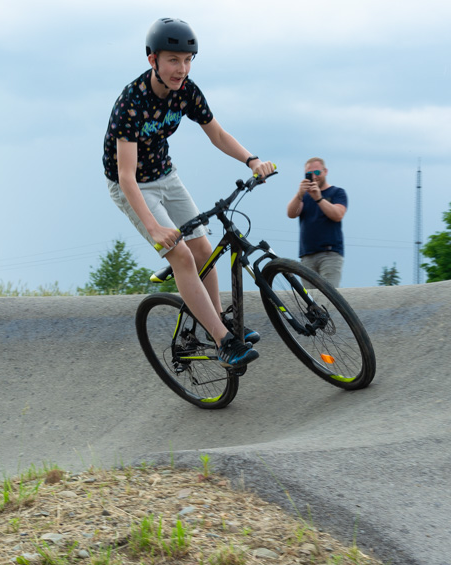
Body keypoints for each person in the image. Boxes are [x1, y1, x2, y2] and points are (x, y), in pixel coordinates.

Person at [102, 17, 275, 367]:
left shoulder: (188, 92)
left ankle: (214, 323)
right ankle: (224, 341)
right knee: (180, 255)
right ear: (153, 60)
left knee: (203, 251)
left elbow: (218, 135)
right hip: (133, 186)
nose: (181, 69)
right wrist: (154, 228)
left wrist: (251, 160)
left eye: (187, 60)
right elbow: (126, 177)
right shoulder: (130, 103)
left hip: (167, 176)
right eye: (173, 60)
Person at [286, 157, 348, 288]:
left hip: (330, 254)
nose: (314, 177)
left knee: (330, 297)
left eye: (317, 173)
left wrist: (319, 198)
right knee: (310, 301)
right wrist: (299, 194)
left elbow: (338, 215)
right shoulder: (304, 197)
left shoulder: (337, 192)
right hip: (307, 255)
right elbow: (291, 213)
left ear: (325, 171)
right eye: (309, 174)